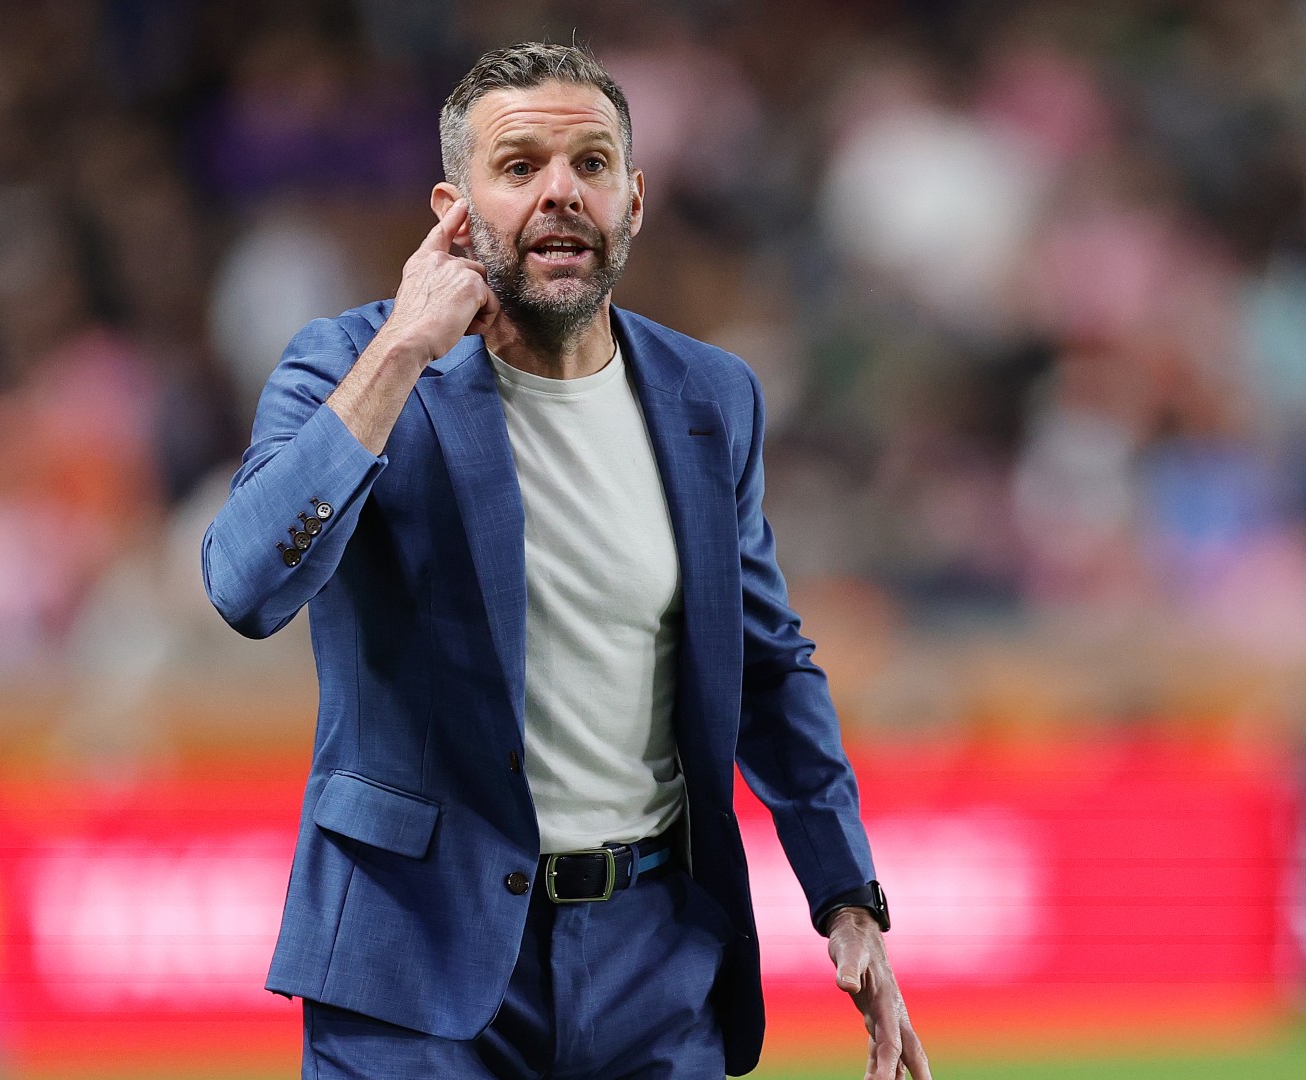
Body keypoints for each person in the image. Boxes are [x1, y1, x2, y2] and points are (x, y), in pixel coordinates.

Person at [201, 41, 928, 1080]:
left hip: (653, 965)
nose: (560, 192)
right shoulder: (349, 366)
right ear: (454, 211)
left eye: (591, 164)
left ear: (634, 199)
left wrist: (846, 895)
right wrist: (403, 349)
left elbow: (767, 664)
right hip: (414, 961)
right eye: (519, 166)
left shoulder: (710, 396)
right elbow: (245, 587)